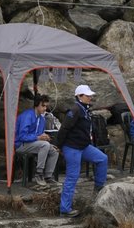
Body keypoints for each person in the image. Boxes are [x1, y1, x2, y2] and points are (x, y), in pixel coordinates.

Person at [57, 83, 108, 217]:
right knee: (72, 177)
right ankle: (65, 209)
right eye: (87, 96)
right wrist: (59, 146)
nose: (90, 98)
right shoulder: (75, 110)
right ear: (79, 96)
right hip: (72, 147)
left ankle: (98, 189)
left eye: (90, 96)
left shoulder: (84, 109)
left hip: (83, 146)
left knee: (102, 159)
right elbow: (64, 129)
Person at [14, 93, 59, 185]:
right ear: (36, 105)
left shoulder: (42, 119)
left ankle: (48, 176)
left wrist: (45, 138)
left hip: (33, 144)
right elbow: (22, 136)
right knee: (44, 145)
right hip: (21, 144)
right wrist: (39, 137)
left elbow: (39, 136)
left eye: (46, 106)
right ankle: (39, 173)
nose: (45, 108)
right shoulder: (27, 116)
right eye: (43, 106)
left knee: (54, 150)